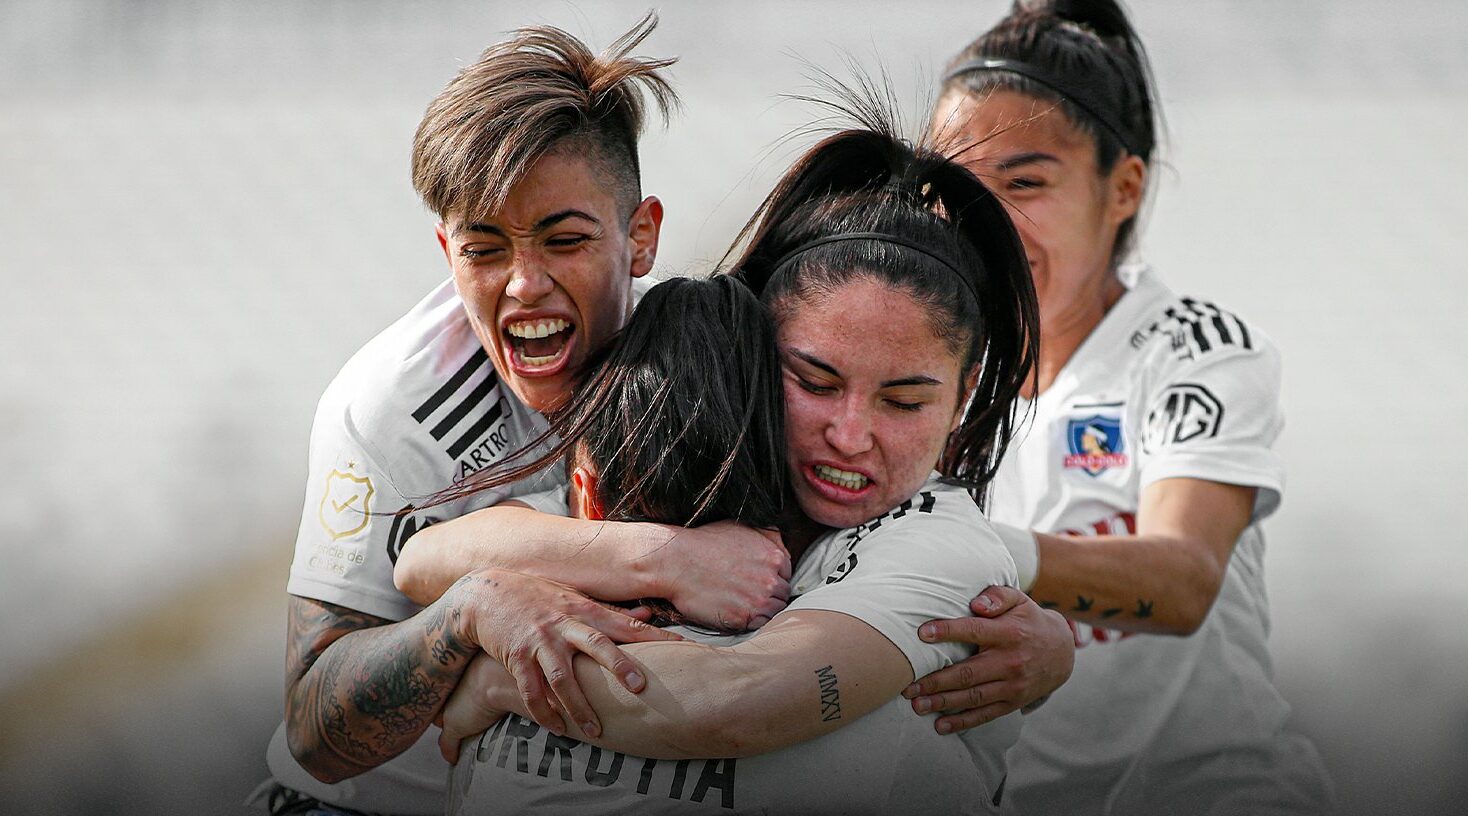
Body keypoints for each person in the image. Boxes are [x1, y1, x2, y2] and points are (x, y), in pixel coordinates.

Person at [260, 15, 1072, 816]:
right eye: (485, 248)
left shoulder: (708, 347)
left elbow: (915, 523)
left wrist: (1046, 637)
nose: (524, 286)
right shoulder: (390, 411)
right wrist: (633, 567)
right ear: (448, 253)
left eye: (564, 240)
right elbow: (317, 730)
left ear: (641, 239)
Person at [420, 111, 1051, 815]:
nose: (848, 435)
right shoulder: (685, 475)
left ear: (964, 396)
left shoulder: (936, 541)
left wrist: (501, 685)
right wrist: (663, 557)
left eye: (903, 402)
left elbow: (741, 700)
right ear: (751, 348)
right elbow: (429, 558)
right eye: (813, 382)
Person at [903, 1, 1335, 813]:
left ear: (1123, 187)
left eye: (1026, 182)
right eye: (955, 187)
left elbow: (1182, 580)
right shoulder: (917, 378)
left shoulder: (1196, 350)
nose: (986, 221)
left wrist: (963, 550)